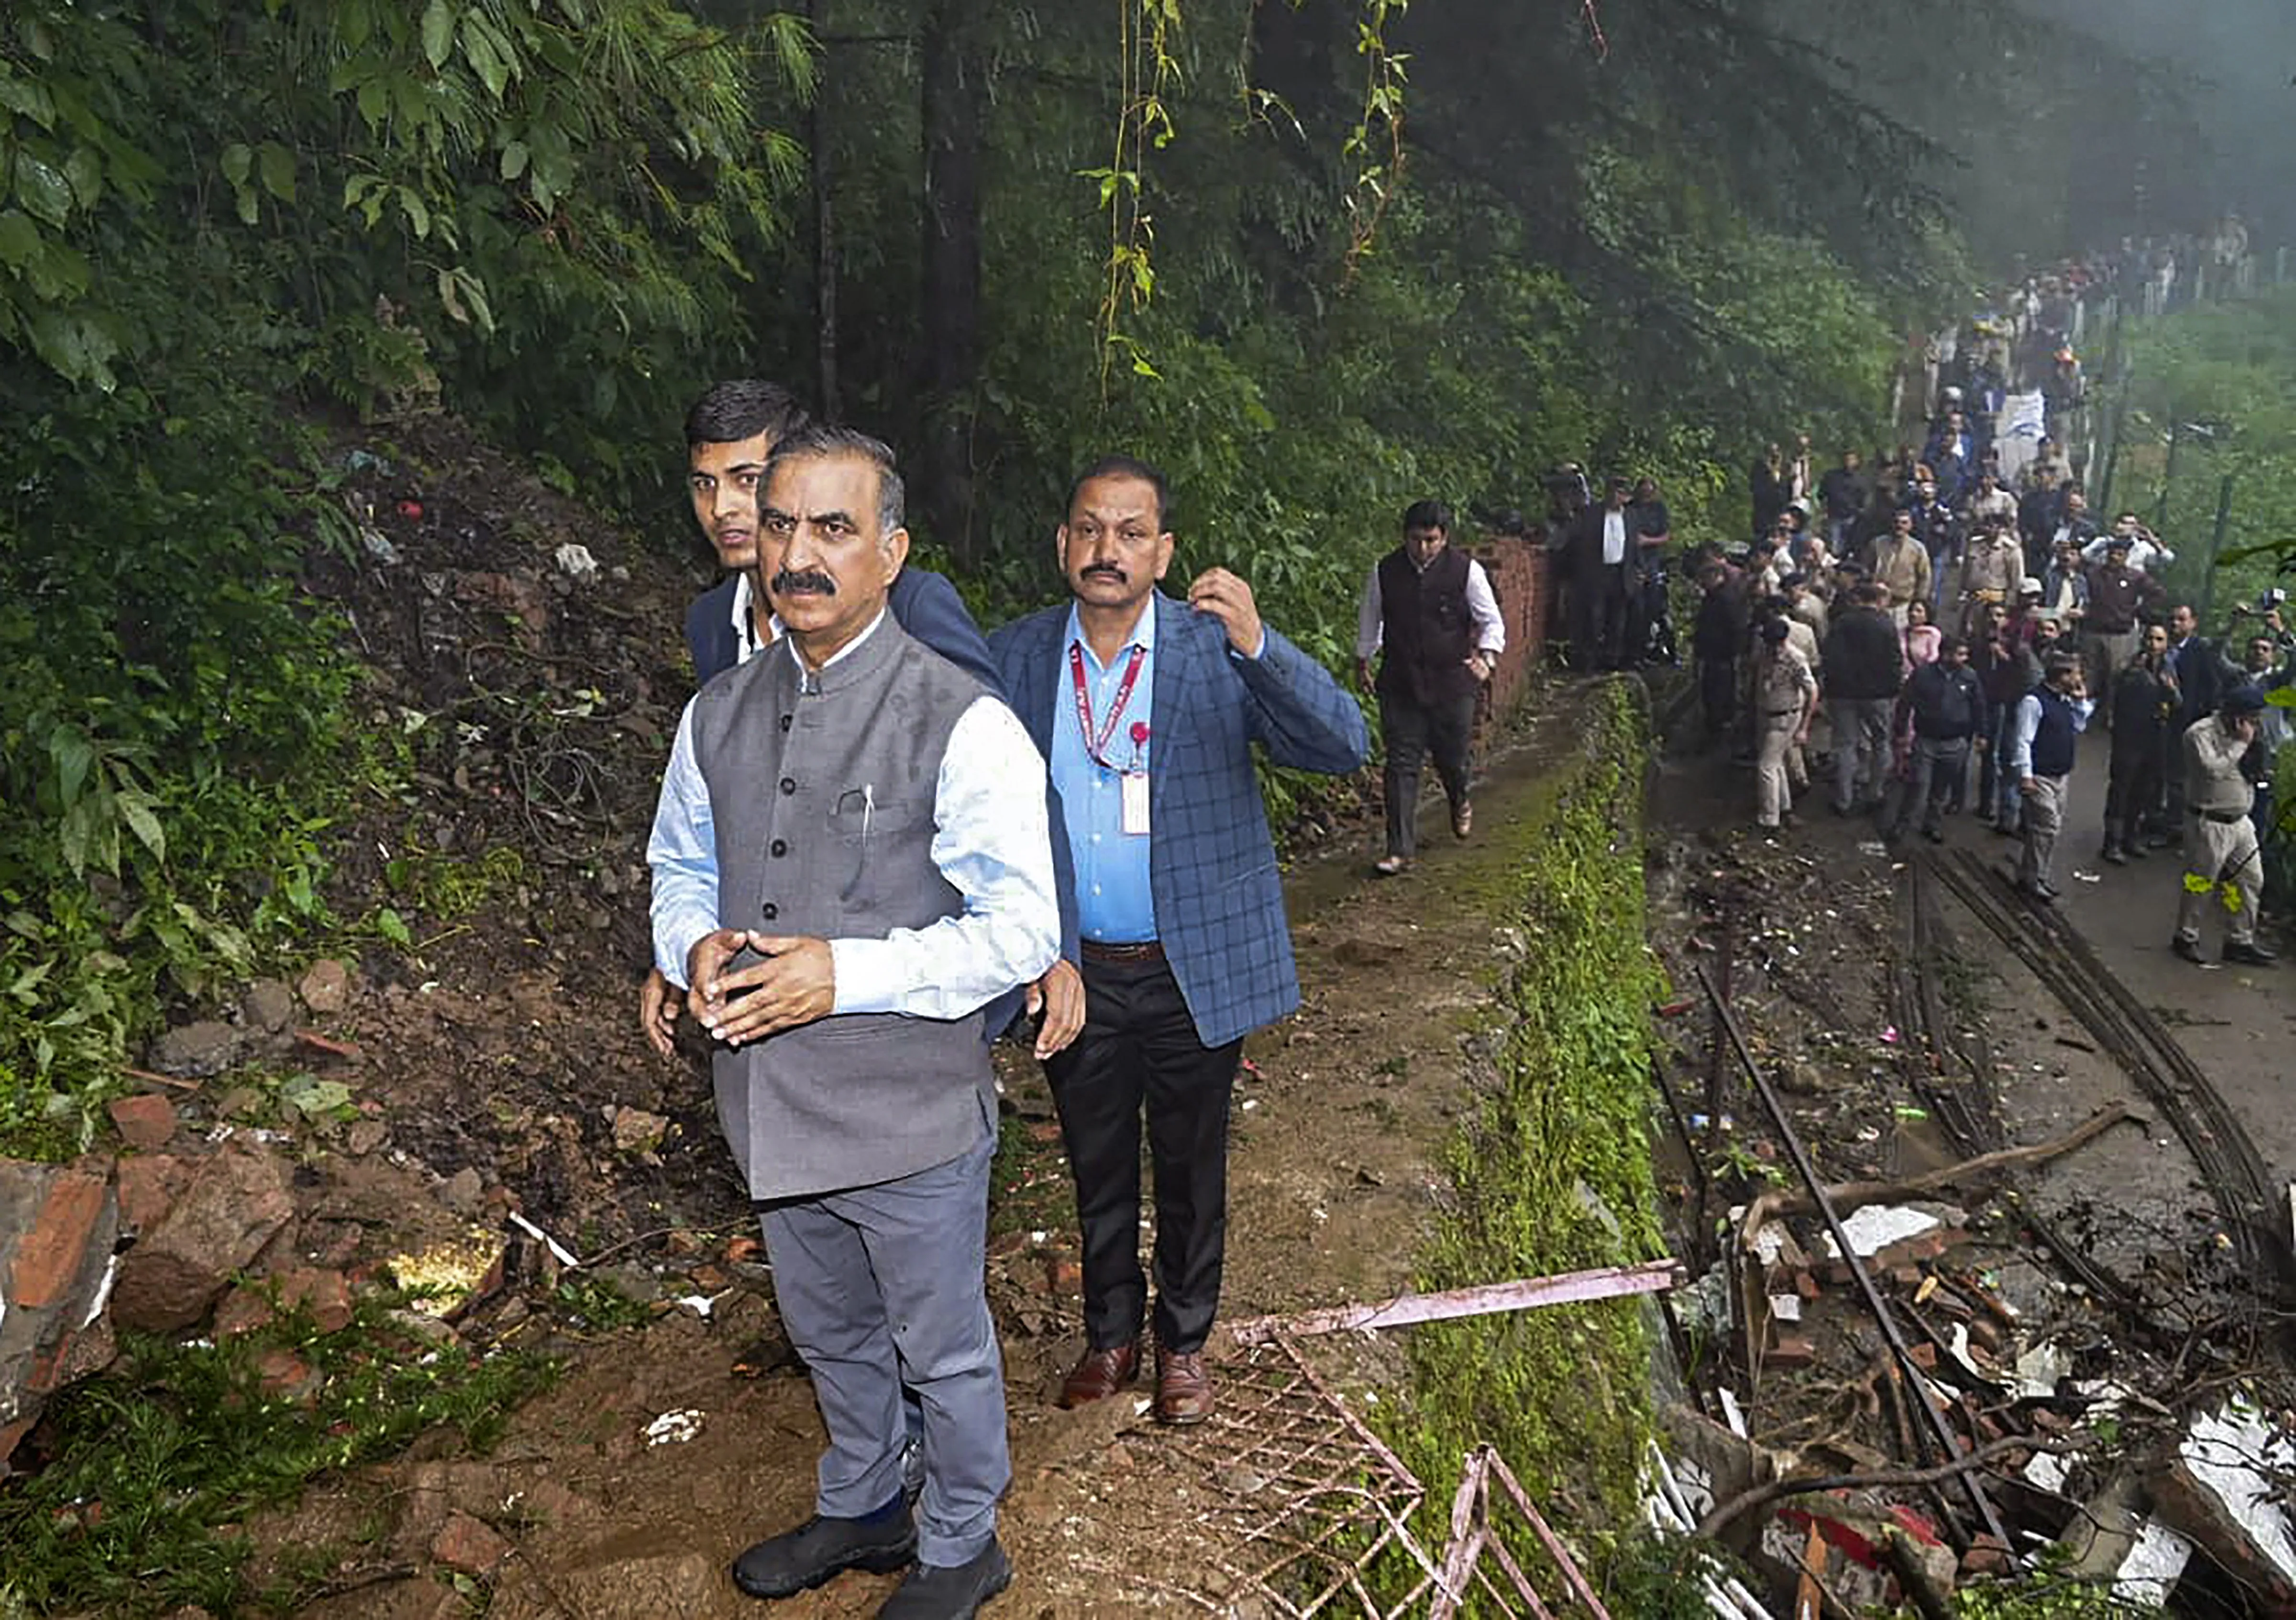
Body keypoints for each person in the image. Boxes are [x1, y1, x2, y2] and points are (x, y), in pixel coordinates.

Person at [647, 427, 1060, 1615]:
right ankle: (865, 1494)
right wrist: (692, 942)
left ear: (891, 552)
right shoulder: (716, 712)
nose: (798, 552)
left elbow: (1019, 927)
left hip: (907, 1112)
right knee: (826, 1329)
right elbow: (677, 861)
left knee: (940, 1346)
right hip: (768, 1108)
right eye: (779, 524)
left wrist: (846, 974)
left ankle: (959, 1539)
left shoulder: (960, 718)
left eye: (832, 528)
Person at [990, 456, 1368, 1427]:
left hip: (1191, 965)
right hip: (1075, 971)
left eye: (1130, 531)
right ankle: (1109, 1334)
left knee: (1194, 1165)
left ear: (1163, 551)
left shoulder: (1211, 650)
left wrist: (1262, 643)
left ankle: (1183, 1342)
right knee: (1097, 1158)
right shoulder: (1016, 658)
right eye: (1088, 528)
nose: (1106, 548)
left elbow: (1341, 745)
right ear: (1062, 544)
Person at [641, 379, 1006, 1062]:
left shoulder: (912, 605)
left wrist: (1053, 948)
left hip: (902, 1022)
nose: (724, 507)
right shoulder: (709, 624)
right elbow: (722, 811)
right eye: (703, 484)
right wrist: (683, 947)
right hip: (764, 1017)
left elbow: (1003, 786)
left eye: (746, 480)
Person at [1355, 499, 1503, 875]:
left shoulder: (1465, 572)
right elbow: (1371, 618)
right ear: (1405, 536)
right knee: (1401, 764)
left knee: (1451, 759)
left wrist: (1486, 660)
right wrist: (1364, 659)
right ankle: (1400, 849)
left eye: (1432, 540)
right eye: (1416, 540)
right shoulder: (1385, 571)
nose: (1423, 549)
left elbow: (1492, 621)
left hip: (1452, 684)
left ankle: (1460, 798)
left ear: (1445, 538)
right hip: (1401, 682)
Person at [2172, 685, 2279, 966]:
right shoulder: (2201, 734)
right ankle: (2187, 936)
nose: (2254, 724)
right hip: (2209, 822)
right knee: (2201, 883)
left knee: (2249, 881)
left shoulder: (2250, 733)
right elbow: (2213, 770)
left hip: (2241, 822)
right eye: (2251, 717)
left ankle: (2239, 938)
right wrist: (2240, 745)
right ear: (2234, 716)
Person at [2007, 651, 2092, 903]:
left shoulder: (2064, 701)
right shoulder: (2034, 702)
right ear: (2063, 675)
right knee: (2046, 828)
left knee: (2049, 829)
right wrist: (2025, 775)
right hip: (2040, 776)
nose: (2079, 678)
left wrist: (2080, 702)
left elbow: (2079, 726)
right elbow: (2023, 740)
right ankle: (2034, 879)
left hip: (2061, 775)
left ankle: (2036, 874)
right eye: (2076, 673)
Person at [1887, 634, 1984, 844]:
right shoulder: (1923, 675)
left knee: (1940, 788)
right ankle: (1902, 824)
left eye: (1966, 654)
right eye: (1960, 654)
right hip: (1927, 740)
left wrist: (1982, 734)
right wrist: (1900, 731)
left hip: (1955, 742)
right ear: (1945, 654)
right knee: (1917, 784)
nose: (1964, 659)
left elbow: (1978, 706)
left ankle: (1932, 824)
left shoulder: (1969, 677)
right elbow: (1905, 703)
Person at [1821, 583, 1901, 816]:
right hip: (1878, 695)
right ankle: (1875, 793)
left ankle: (1844, 800)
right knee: (1880, 742)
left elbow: (1830, 657)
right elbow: (1895, 661)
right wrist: (1892, 691)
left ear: (1858, 599)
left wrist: (1831, 688)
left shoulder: (1843, 623)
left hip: (1844, 694)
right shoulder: (1886, 625)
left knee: (1846, 745)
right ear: (1878, 600)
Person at [2101, 622, 2178, 865]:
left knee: (2144, 789)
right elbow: (2114, 693)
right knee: (2121, 789)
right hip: (2129, 735)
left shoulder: (2168, 668)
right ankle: (2112, 841)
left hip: (2154, 736)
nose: (2153, 645)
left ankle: (2131, 837)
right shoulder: (2129, 666)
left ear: (2166, 644)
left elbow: (2178, 702)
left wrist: (2170, 690)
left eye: (2159, 640)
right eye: (2150, 639)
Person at [1751, 617, 1817, 834]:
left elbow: (1812, 691)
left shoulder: (1796, 659)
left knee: (1766, 767)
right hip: (1765, 713)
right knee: (1776, 764)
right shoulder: (1764, 654)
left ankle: (1769, 819)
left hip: (1786, 716)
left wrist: (1804, 727)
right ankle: (1784, 808)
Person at [1567, 476, 1636, 670]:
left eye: (1620, 493)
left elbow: (1633, 547)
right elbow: (1578, 544)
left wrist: (1637, 571)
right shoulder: (1591, 515)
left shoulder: (1631, 517)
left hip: (1620, 573)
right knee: (1593, 618)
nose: (1616, 497)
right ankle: (1589, 661)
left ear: (1627, 497)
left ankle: (1612, 661)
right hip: (1597, 572)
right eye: (1612, 492)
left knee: (1617, 621)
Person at [1693, 558, 1748, 745]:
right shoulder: (1712, 597)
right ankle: (1714, 728)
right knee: (1711, 694)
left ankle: (1720, 731)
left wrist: (1734, 652)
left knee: (1721, 694)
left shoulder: (1727, 599)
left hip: (1723, 655)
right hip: (1712, 654)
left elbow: (1736, 627)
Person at [1867, 509, 1932, 629]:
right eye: (1896, 522)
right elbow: (1867, 569)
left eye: (1904, 523)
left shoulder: (1918, 549)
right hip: (1877, 602)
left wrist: (1919, 603)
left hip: (1903, 604)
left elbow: (1925, 577)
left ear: (1911, 525)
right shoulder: (1877, 544)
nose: (1899, 526)